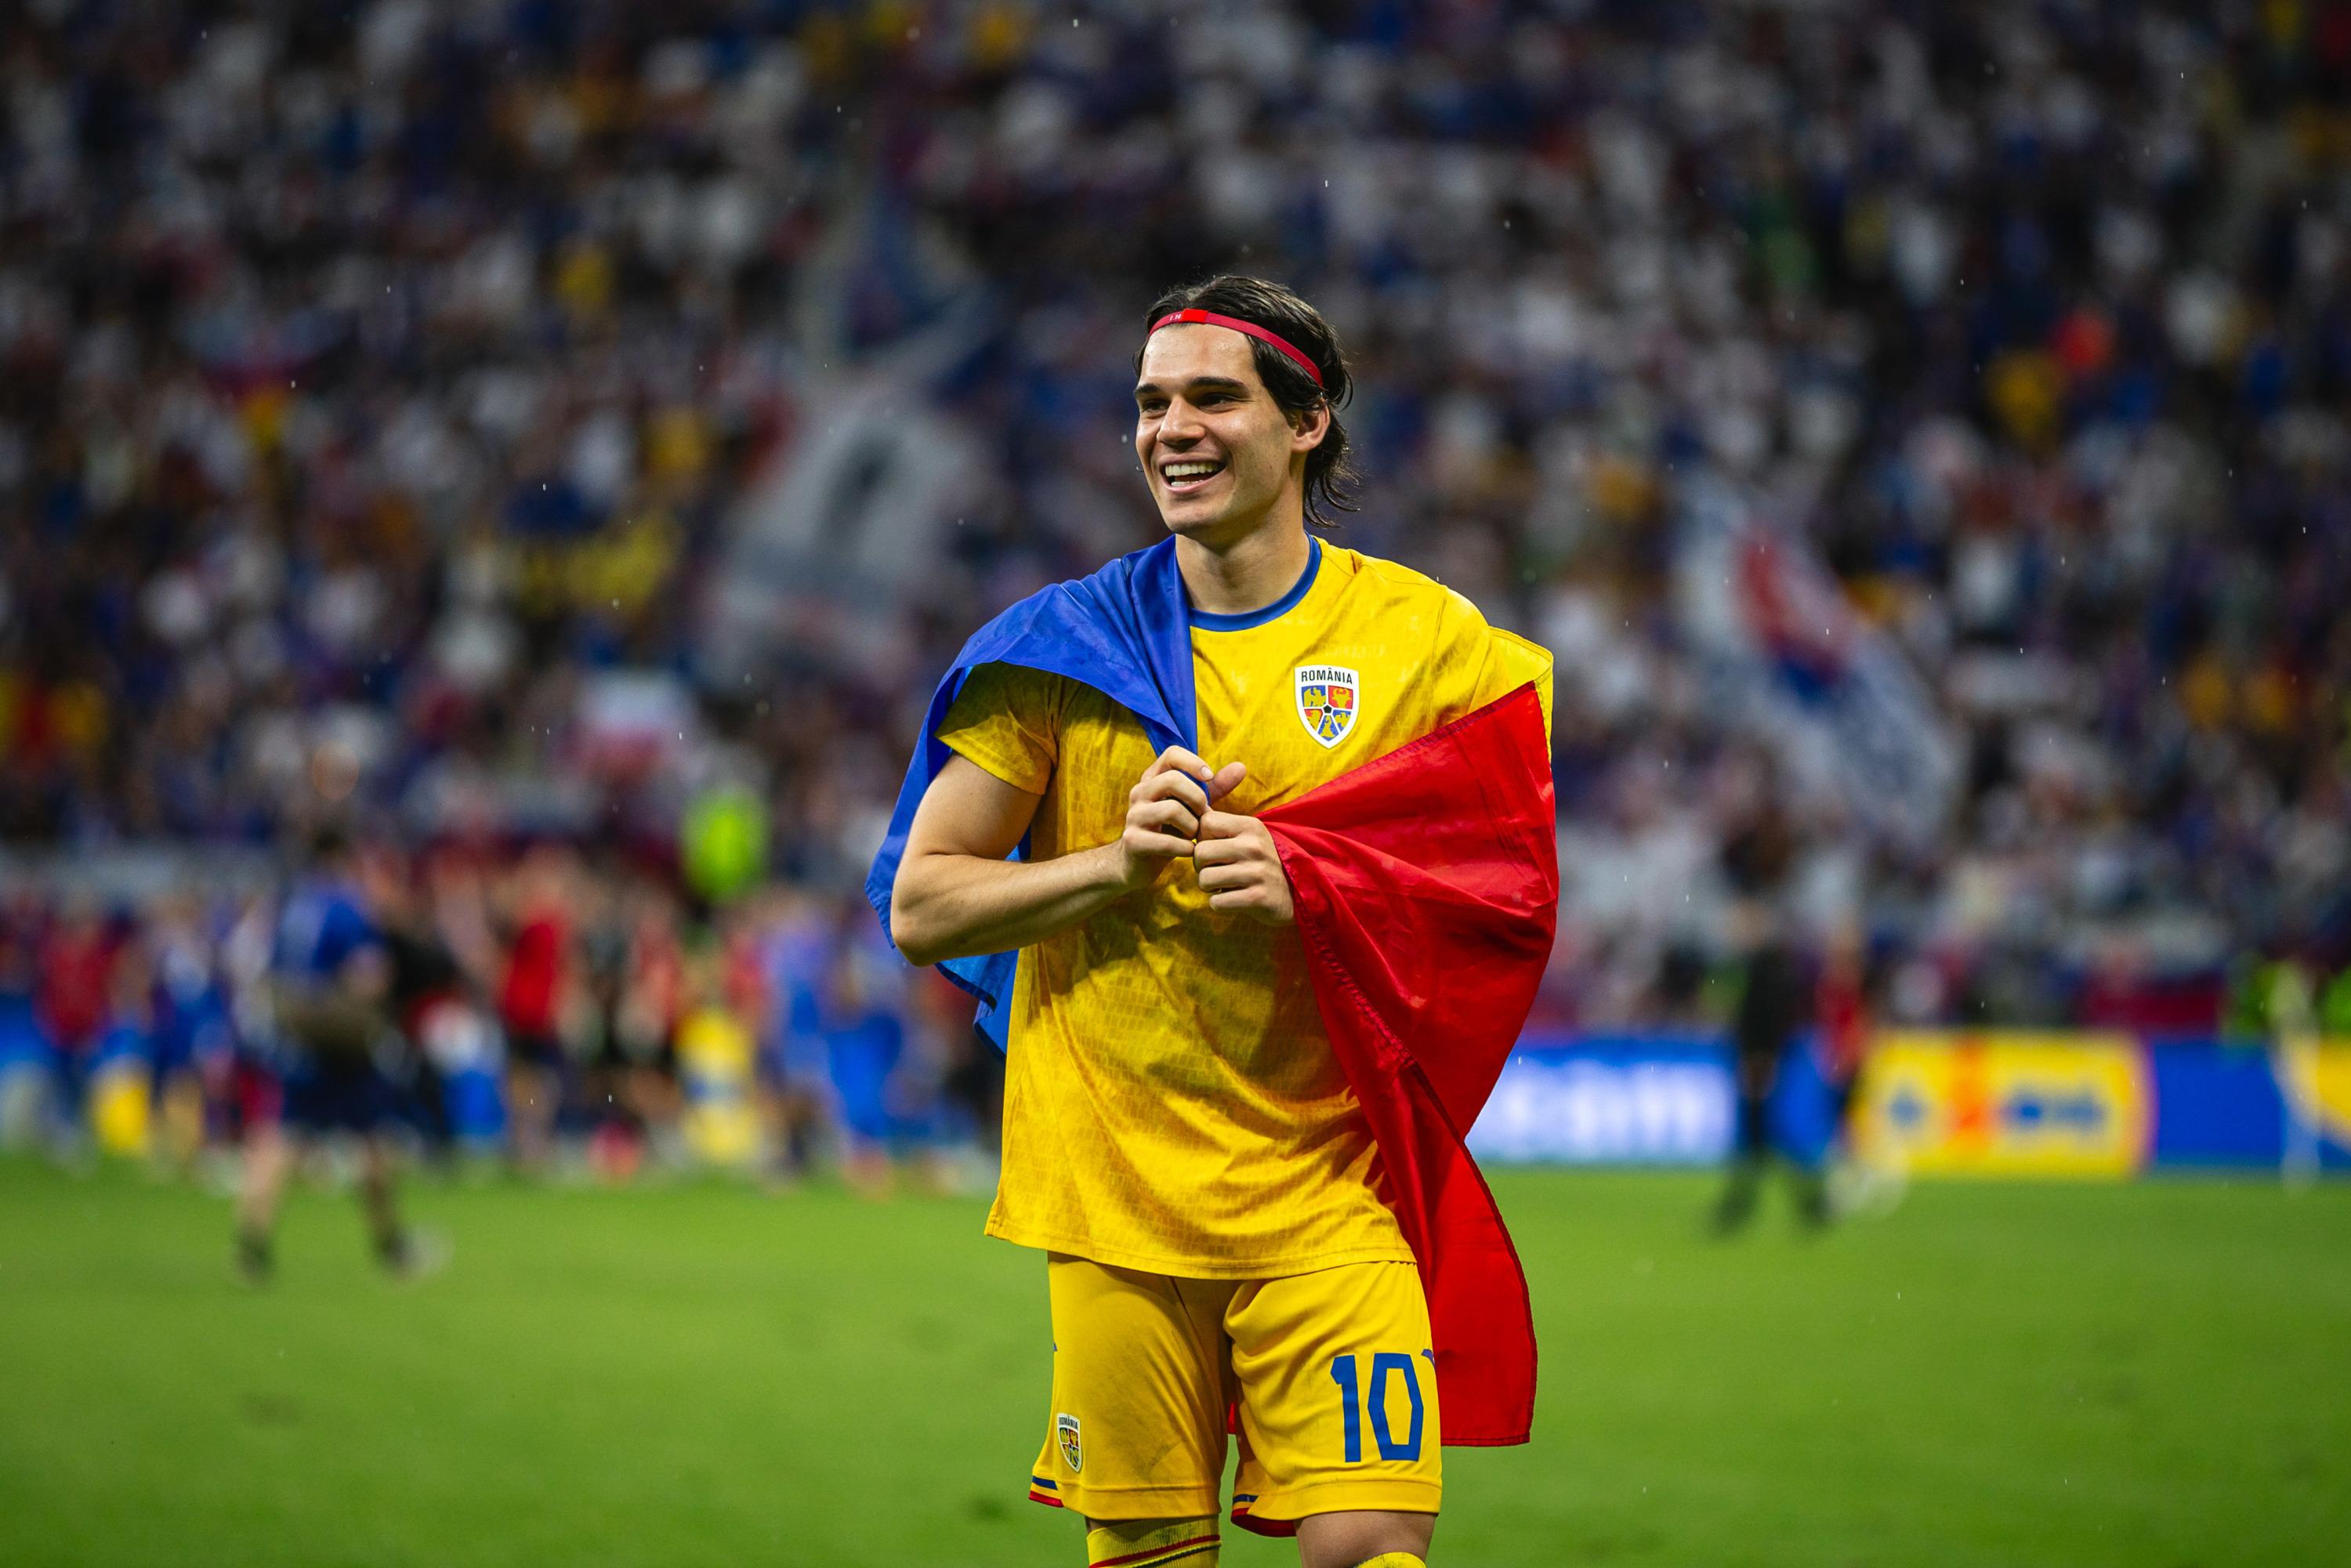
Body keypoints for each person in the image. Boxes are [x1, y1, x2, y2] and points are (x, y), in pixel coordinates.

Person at [885, 277, 1551, 1568]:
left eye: (1210, 397)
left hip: (1326, 1187)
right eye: (1149, 403)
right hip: (1111, 1193)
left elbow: (1505, 887)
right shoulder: (1062, 648)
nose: (1170, 428)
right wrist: (1112, 867)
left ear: (1306, 424)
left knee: (1369, 1545)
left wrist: (1325, 887)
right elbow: (924, 903)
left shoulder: (1431, 646)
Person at [233, 827, 437, 1284]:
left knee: (282, 1136)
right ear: (343, 857)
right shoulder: (347, 907)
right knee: (371, 1142)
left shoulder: (290, 907)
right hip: (342, 1041)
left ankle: (251, 1247)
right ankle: (392, 1245)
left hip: (298, 1035)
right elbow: (368, 976)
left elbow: (274, 970)